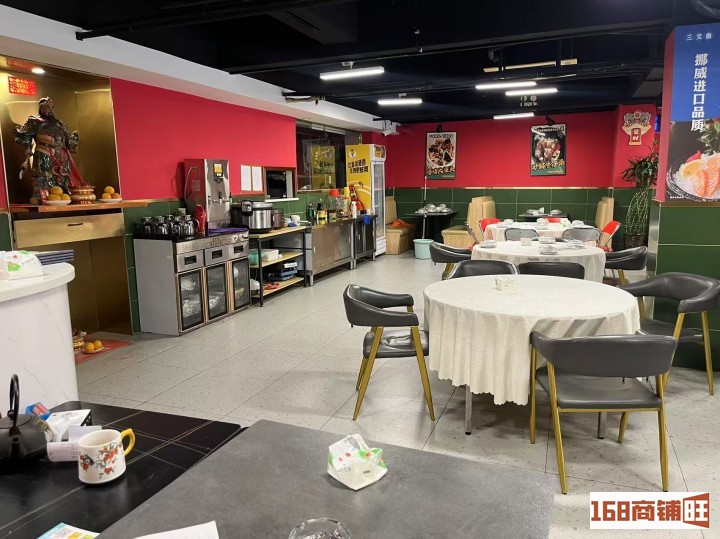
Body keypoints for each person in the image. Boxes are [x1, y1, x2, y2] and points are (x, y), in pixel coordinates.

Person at [14, 97, 84, 201]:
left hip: (61, 155)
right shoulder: (35, 121)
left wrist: (73, 140)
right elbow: (26, 135)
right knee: (43, 176)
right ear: (41, 108)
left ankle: (62, 195)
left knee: (62, 176)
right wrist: (28, 148)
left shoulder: (59, 123)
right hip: (44, 153)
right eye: (47, 107)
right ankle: (41, 196)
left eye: (51, 107)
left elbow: (67, 138)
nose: (50, 109)